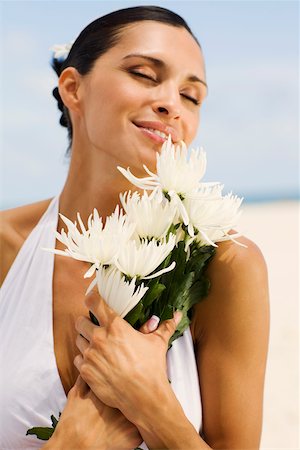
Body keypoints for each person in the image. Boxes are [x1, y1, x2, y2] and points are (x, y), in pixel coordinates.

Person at [0, 5, 270, 449]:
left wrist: (152, 405)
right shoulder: (8, 247)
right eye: (144, 74)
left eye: (192, 96)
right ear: (73, 88)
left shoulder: (225, 265)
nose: (171, 104)